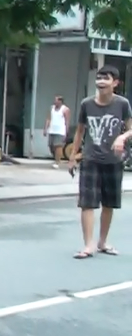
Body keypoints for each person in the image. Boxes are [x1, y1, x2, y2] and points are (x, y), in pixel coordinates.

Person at [69, 65, 132, 259]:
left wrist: (123, 137)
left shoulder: (122, 104)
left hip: (113, 160)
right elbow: (80, 131)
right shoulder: (86, 104)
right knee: (87, 203)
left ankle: (102, 241)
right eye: (99, 78)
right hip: (90, 159)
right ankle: (88, 245)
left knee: (109, 203)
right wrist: (72, 156)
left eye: (106, 78)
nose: (101, 82)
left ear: (115, 83)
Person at [44, 95, 70, 168]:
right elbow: (48, 118)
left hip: (60, 131)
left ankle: (57, 161)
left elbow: (67, 121)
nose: (55, 101)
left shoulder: (65, 109)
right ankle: (56, 158)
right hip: (52, 130)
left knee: (58, 146)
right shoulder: (51, 108)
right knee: (51, 146)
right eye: (55, 100)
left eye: (56, 100)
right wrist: (46, 128)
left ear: (60, 101)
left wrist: (66, 131)